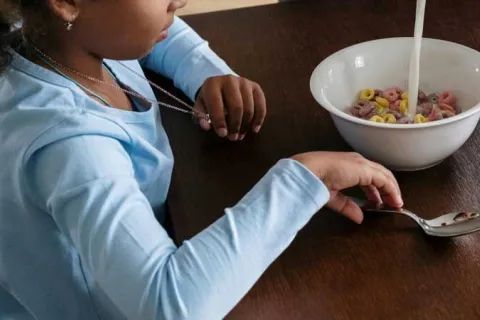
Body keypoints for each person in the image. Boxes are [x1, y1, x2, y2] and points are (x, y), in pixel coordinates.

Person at [0, 0, 403, 319]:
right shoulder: (71, 145)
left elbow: (164, 32)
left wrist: (206, 72)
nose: (181, 2)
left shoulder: (57, 38)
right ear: (67, 2)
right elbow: (170, 305)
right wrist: (304, 177)